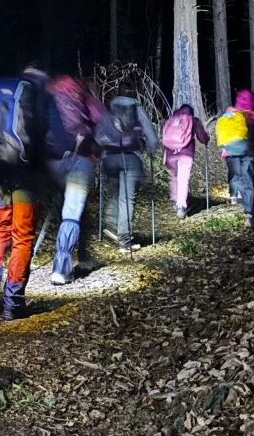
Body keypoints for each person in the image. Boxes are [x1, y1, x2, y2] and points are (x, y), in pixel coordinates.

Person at [0, 65, 67, 318]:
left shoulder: (4, 91)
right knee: (22, 236)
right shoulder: (42, 96)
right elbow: (55, 139)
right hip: (26, 175)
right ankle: (13, 302)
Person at [45, 74, 104, 285]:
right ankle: (61, 268)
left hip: (51, 161)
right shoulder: (82, 94)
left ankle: (81, 253)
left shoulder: (49, 91)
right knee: (72, 212)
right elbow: (101, 117)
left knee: (66, 209)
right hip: (80, 160)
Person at [96, 83, 158, 252]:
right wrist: (151, 149)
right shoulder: (137, 109)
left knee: (117, 193)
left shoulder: (108, 110)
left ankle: (111, 224)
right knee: (127, 198)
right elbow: (151, 137)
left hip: (109, 158)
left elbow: (98, 137)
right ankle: (124, 240)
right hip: (131, 157)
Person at [217, 89, 254, 229]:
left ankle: (237, 194)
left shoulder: (231, 115)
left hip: (230, 152)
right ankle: (249, 214)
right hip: (248, 152)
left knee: (236, 177)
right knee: (248, 180)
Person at [161, 104, 209, 219]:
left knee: (174, 177)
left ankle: (175, 200)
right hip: (186, 154)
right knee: (183, 178)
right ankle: (181, 206)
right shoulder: (193, 120)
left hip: (170, 154)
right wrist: (206, 139)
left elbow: (165, 137)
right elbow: (202, 137)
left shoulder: (172, 120)